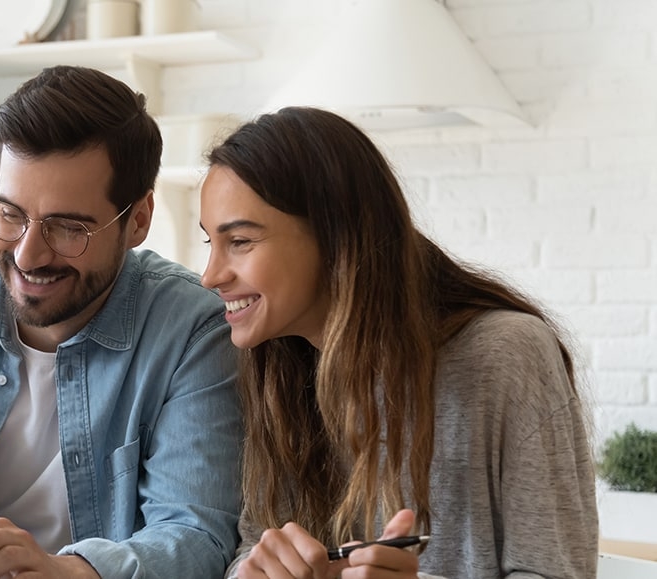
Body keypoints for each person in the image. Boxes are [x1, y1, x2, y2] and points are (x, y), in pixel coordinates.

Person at [0, 65, 243, 579]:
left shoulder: (191, 330)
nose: (29, 256)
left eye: (66, 227)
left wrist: (68, 571)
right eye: (11, 215)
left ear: (138, 220)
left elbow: (196, 538)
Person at [197, 106, 597, 579]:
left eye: (240, 241)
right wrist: (253, 572)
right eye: (210, 243)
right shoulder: (278, 368)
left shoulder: (505, 355)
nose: (210, 276)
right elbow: (254, 541)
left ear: (334, 235)